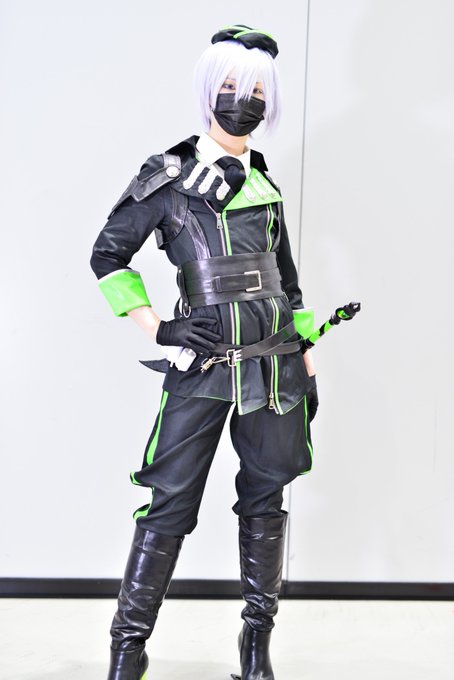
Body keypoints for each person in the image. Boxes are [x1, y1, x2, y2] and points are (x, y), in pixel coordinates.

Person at [90, 23, 319, 680]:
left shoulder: (265, 181)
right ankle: (128, 648)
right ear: (207, 91)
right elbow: (108, 255)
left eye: (256, 93)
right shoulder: (169, 176)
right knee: (169, 498)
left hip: (274, 364)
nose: (242, 102)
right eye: (230, 88)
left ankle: (255, 646)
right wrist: (158, 328)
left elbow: (286, 278)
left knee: (267, 496)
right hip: (204, 364)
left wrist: (304, 348)